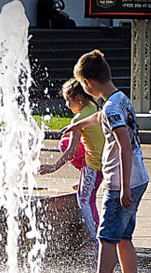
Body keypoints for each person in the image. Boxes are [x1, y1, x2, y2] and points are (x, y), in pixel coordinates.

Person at [63, 49, 149, 273]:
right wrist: (80, 124)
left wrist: (122, 188)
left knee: (107, 237)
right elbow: (101, 116)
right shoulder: (118, 99)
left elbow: (123, 144)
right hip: (139, 177)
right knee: (123, 236)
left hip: (121, 181)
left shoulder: (111, 107)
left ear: (88, 83)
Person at [40, 77, 106, 244]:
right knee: (64, 140)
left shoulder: (78, 120)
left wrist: (54, 167)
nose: (67, 105)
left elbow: (71, 151)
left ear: (78, 99)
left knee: (84, 199)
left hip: (95, 164)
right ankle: (85, 179)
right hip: (105, 159)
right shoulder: (94, 107)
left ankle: (97, 240)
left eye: (68, 101)